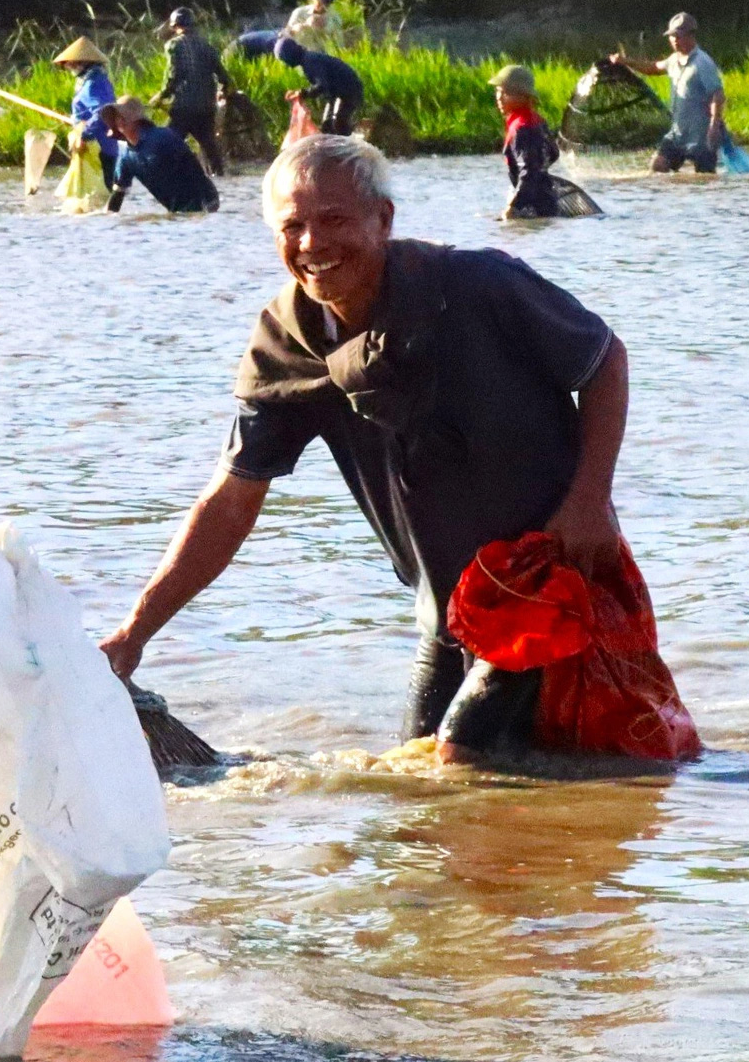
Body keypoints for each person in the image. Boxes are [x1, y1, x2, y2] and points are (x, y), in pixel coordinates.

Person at [100, 135, 633, 766]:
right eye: (291, 226)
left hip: (542, 573)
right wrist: (134, 634)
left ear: (383, 220)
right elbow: (230, 501)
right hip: (445, 604)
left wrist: (591, 500)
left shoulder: (479, 285)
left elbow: (603, 361)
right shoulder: (285, 347)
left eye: (333, 220)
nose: (312, 245)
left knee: (458, 763)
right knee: (418, 781)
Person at [608, 12, 725, 174]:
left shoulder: (702, 63)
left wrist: (714, 124)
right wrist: (625, 62)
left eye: (678, 36)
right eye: (671, 36)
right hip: (677, 134)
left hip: (701, 136)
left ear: (691, 36)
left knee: (705, 179)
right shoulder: (673, 60)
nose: (674, 40)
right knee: (658, 167)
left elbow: (717, 94)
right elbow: (653, 68)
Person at [100, 97, 219, 214]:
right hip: (178, 211)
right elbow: (117, 195)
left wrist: (203, 205)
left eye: (124, 116)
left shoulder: (162, 137)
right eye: (117, 118)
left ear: (137, 119)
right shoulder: (126, 158)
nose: (120, 121)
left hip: (206, 202)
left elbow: (193, 166)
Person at [154, 8, 233, 175]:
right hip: (206, 107)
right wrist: (222, 91)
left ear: (175, 26)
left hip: (183, 108)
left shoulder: (174, 45)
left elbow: (174, 75)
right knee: (209, 148)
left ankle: (162, 176)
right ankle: (219, 177)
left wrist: (162, 95)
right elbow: (224, 78)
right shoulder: (206, 46)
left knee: (168, 144)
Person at [491, 64, 563, 217]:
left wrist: (514, 206)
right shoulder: (538, 121)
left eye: (505, 92)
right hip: (547, 201)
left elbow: (529, 172)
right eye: (498, 91)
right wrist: (539, 171)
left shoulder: (522, 128)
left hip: (534, 208)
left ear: (523, 97)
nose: (499, 97)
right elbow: (553, 153)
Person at [55, 36, 120, 191]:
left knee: (101, 193)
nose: (68, 68)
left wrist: (84, 135)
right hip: (102, 146)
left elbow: (102, 113)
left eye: (70, 64)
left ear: (81, 63)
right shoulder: (95, 80)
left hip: (99, 147)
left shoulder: (93, 84)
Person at [274, 36, 364, 137]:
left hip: (349, 90)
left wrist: (303, 93)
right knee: (327, 126)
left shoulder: (310, 61)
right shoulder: (307, 60)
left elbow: (322, 85)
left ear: (290, 56)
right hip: (337, 93)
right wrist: (302, 93)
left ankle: (350, 148)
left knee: (338, 123)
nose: (287, 65)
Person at [284, 0, 354, 52]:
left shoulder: (335, 18)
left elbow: (339, 46)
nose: (324, 6)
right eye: (321, 2)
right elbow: (286, 35)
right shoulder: (299, 13)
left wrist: (323, 30)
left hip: (321, 57)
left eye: (327, 3)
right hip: (299, 54)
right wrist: (305, 24)